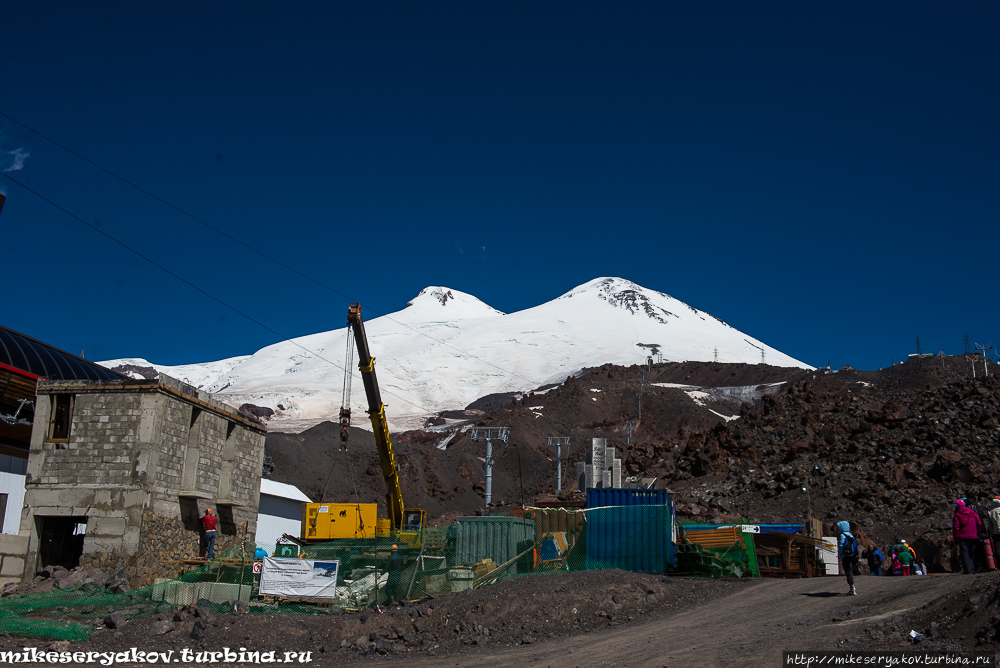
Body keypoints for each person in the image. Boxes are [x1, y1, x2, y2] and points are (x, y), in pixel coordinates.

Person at [953, 499, 982, 575]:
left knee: (964, 552)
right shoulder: (972, 512)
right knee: (972, 551)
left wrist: (955, 537)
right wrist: (977, 532)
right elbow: (979, 522)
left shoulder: (957, 514)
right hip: (973, 535)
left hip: (963, 536)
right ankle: (973, 568)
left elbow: (956, 527)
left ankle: (967, 569)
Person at [837, 521, 859, 596]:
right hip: (853, 556)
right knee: (850, 571)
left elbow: (840, 546)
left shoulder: (842, 535)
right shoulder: (851, 535)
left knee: (848, 572)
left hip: (846, 556)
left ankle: (852, 588)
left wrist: (840, 554)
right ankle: (852, 587)